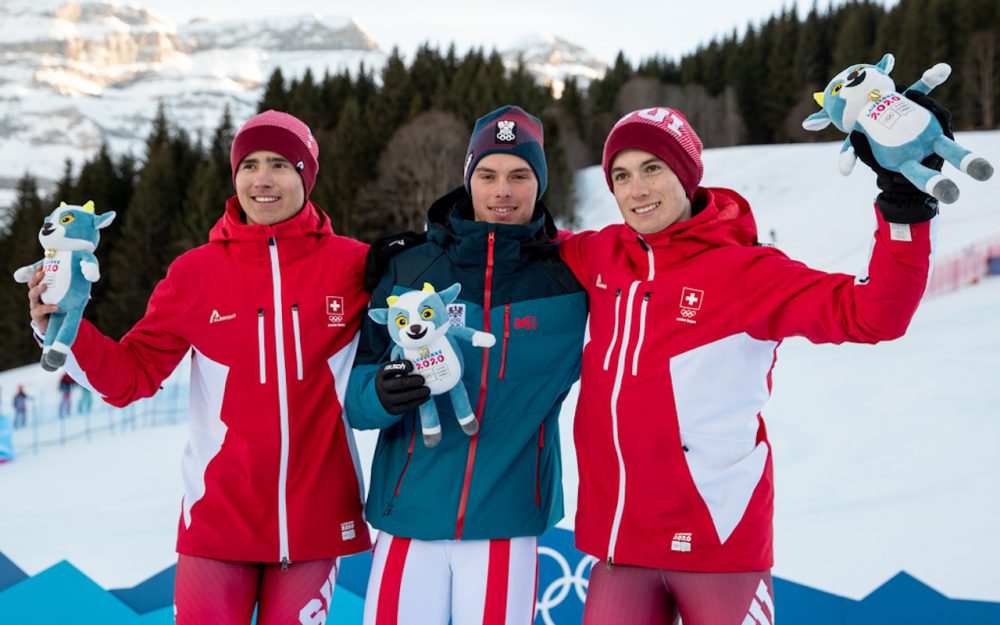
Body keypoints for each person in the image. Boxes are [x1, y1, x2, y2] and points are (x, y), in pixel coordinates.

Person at [559, 102, 941, 624]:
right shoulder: (603, 255)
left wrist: (904, 209)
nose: (636, 190)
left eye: (653, 169)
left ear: (687, 175)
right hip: (619, 547)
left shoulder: (747, 273)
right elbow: (520, 245)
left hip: (720, 545)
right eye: (621, 175)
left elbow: (874, 315)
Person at [25, 110, 371, 624]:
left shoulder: (355, 266)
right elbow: (131, 377)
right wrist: (64, 327)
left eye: (279, 163)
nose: (263, 179)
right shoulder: (196, 272)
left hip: (316, 522)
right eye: (249, 165)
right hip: (217, 523)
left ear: (306, 174)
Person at [347, 105, 588, 625]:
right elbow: (356, 396)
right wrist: (380, 396)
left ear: (539, 184)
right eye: (488, 174)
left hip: (507, 519)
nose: (503, 190)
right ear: (468, 179)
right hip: (408, 514)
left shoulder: (570, 283)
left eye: (519, 175)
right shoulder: (411, 268)